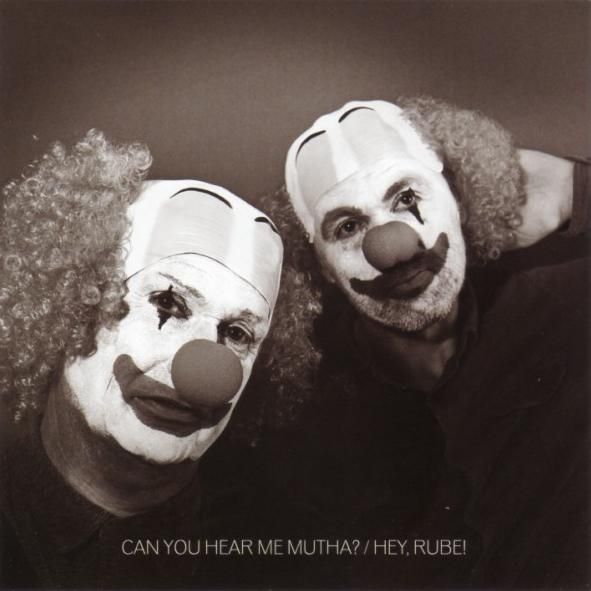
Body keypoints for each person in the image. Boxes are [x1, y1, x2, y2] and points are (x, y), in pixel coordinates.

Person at [258, 97, 589, 588]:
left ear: (459, 200)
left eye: (406, 197)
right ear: (320, 268)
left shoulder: (567, 303)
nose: (391, 247)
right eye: (347, 227)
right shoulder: (298, 427)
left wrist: (571, 188)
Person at [0, 130, 283, 588]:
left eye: (236, 333)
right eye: (168, 304)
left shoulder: (277, 548)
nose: (204, 370)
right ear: (74, 303)